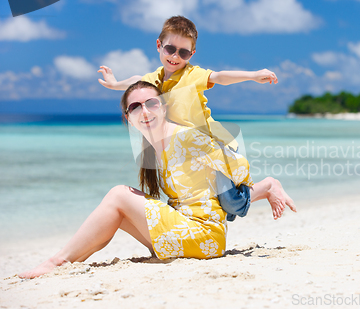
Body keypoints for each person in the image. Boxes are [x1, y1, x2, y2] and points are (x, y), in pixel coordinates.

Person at [18, 81, 294, 279]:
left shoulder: (187, 137)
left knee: (118, 195)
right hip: (186, 231)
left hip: (204, 236)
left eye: (151, 103)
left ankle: (58, 261)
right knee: (117, 215)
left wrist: (264, 187)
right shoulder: (151, 149)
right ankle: (69, 261)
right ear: (128, 117)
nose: (145, 111)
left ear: (163, 107)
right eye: (135, 107)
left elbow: (236, 169)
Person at [98, 15, 294, 221]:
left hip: (211, 149)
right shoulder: (152, 80)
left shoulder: (192, 75)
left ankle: (268, 186)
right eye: (170, 49)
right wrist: (115, 83)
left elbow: (219, 77)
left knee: (230, 203)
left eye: (183, 52)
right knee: (192, 198)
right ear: (158, 45)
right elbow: (135, 81)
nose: (175, 56)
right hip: (184, 153)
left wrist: (253, 75)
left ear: (192, 53)